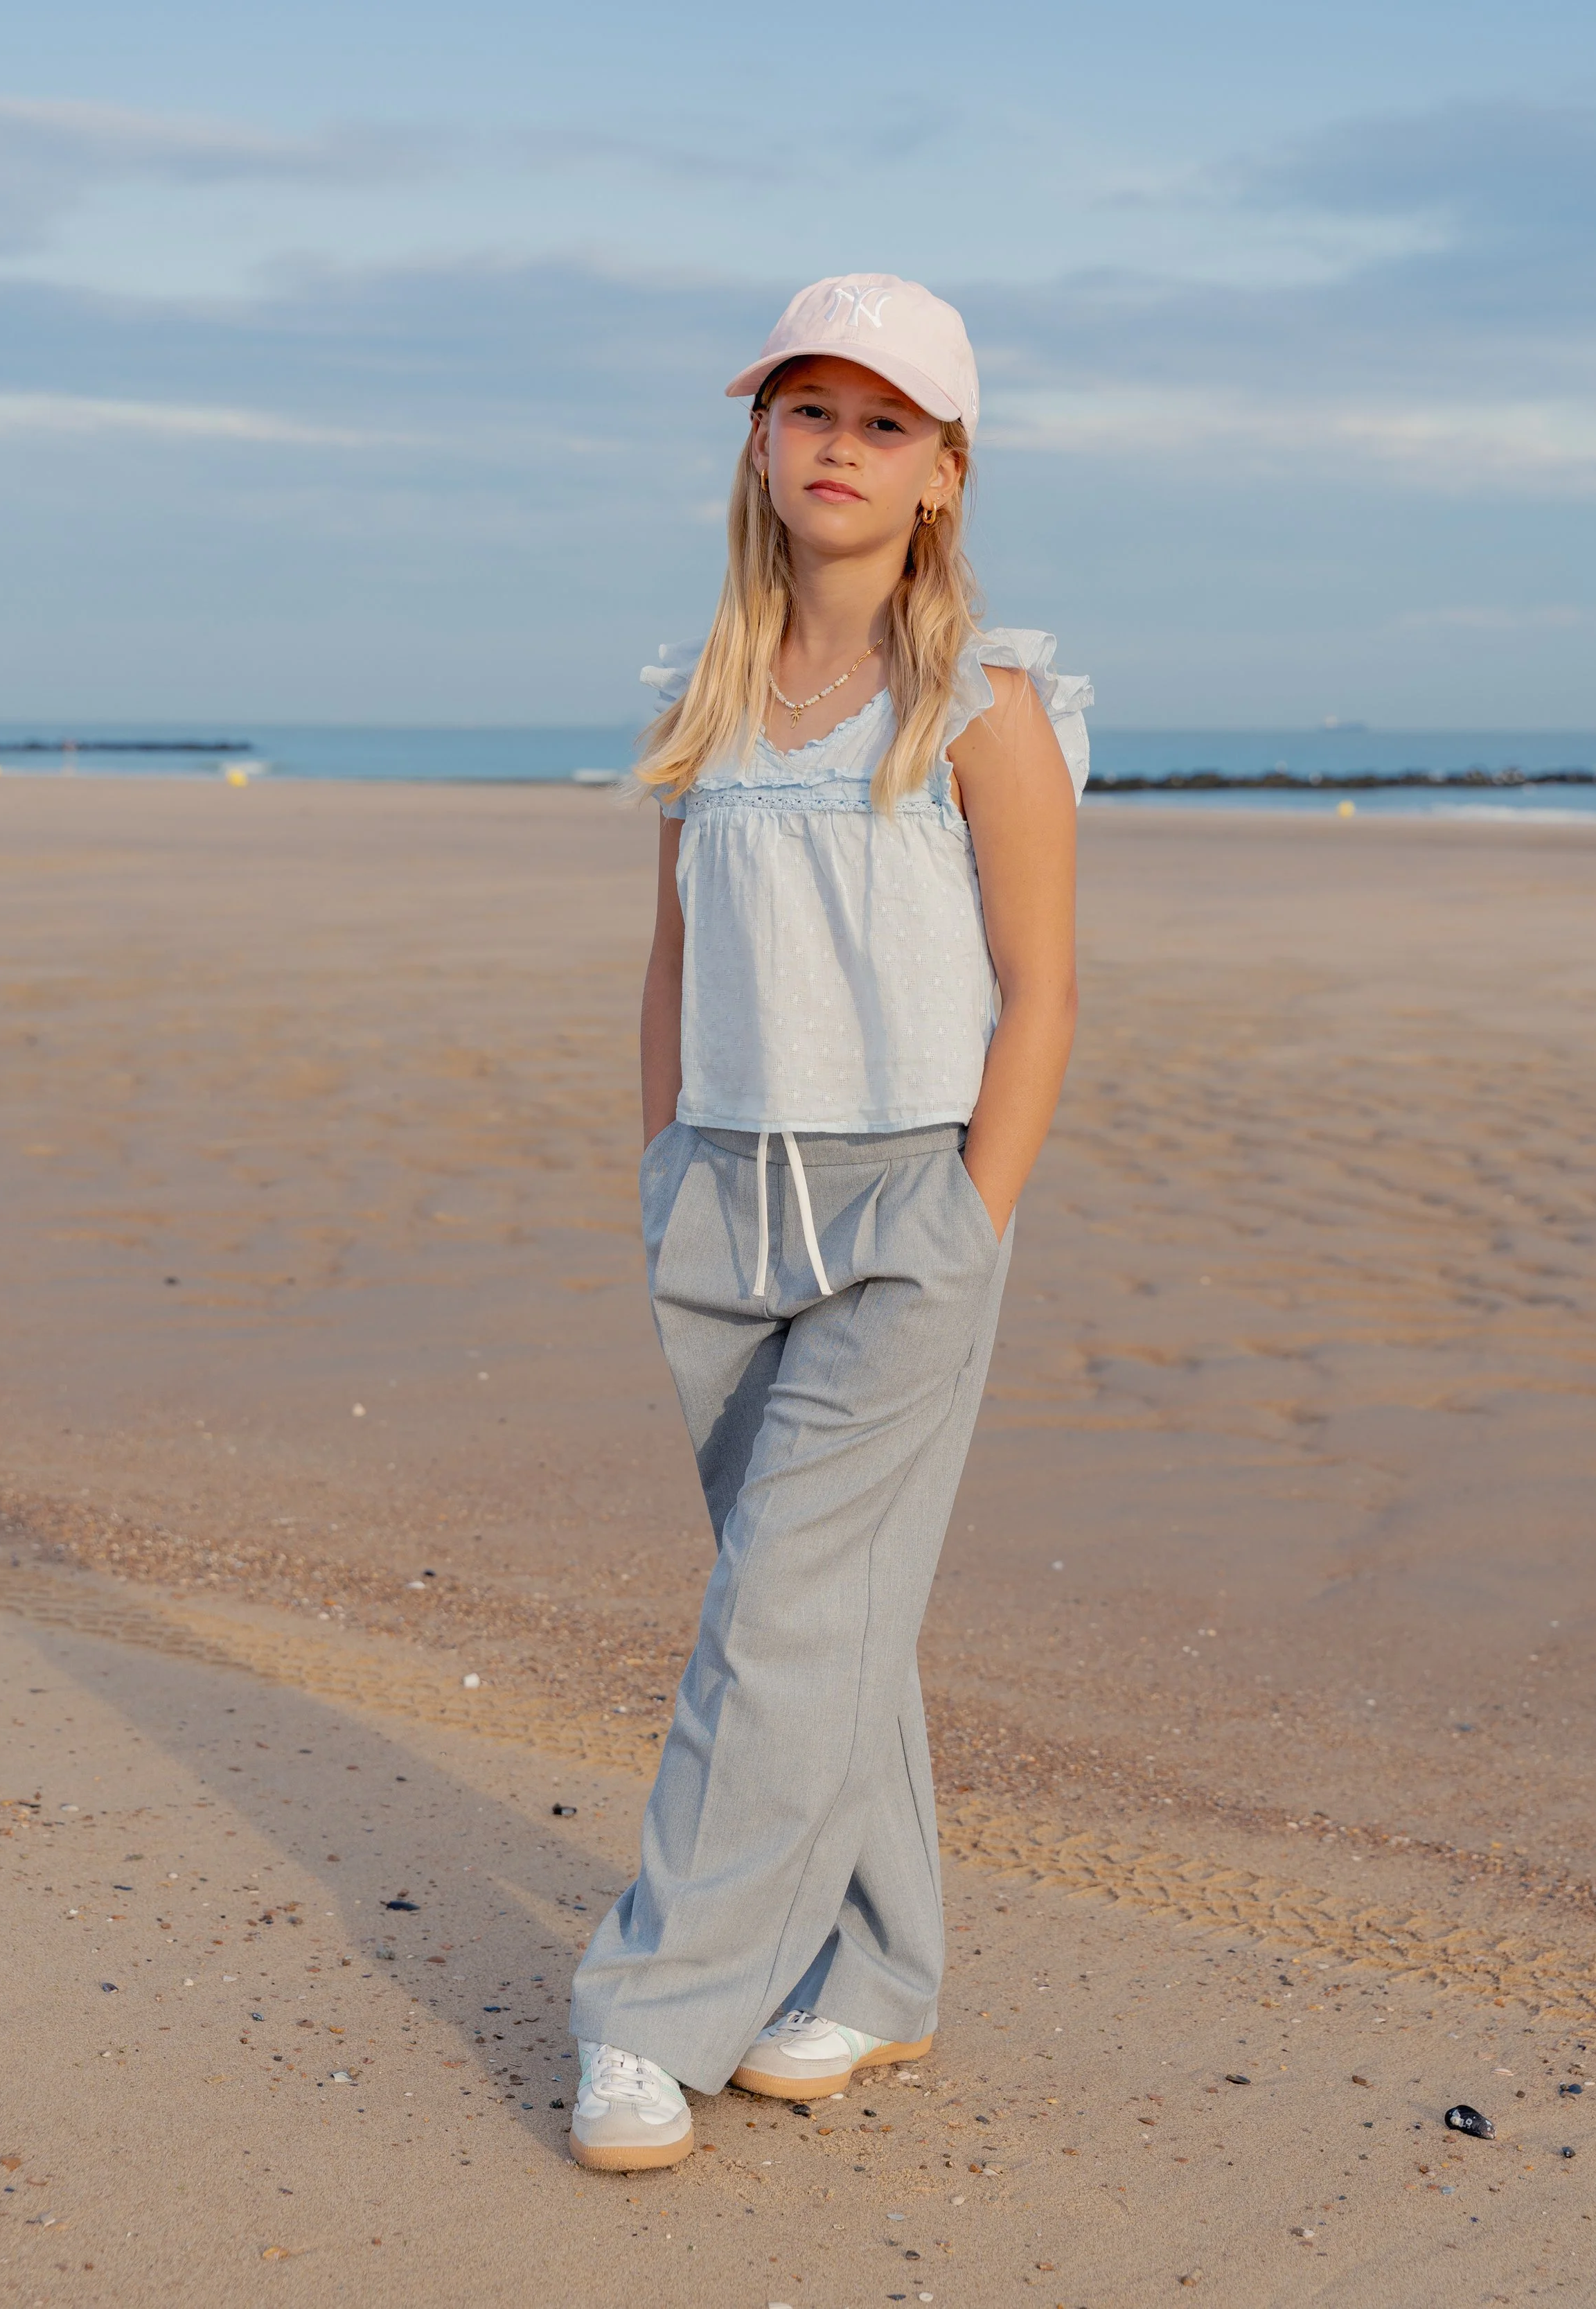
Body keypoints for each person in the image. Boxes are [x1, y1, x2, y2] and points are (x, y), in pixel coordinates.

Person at [567, 273, 1088, 2170]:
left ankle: (645, 2008)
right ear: (760, 445)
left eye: (882, 423)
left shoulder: (985, 702)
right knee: (823, 1613)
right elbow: (675, 950)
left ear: (943, 469)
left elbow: (1041, 988)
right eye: (808, 411)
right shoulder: (700, 697)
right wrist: (656, 1165)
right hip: (718, 1200)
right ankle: (881, 1971)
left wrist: (965, 1216)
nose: (838, 448)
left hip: (903, 1211)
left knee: (776, 1613)